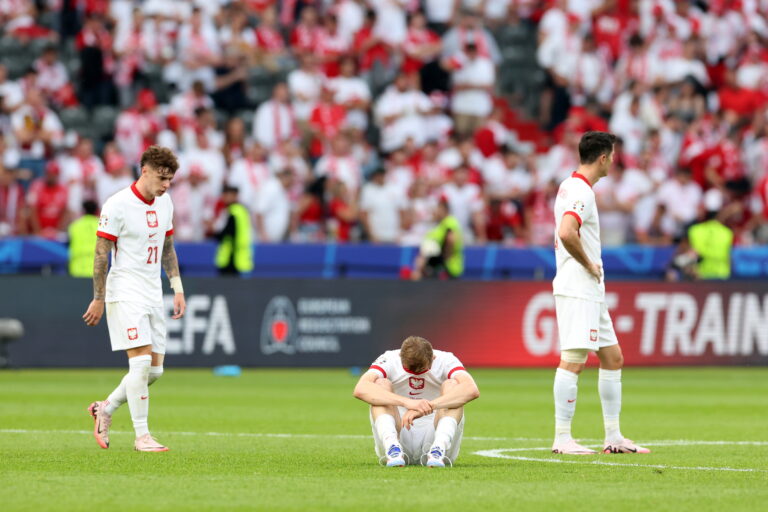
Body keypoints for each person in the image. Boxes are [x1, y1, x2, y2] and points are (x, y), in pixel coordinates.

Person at [551, 131, 650, 455]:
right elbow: (567, 231)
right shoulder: (581, 191)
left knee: (612, 357)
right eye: (614, 156)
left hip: (590, 288)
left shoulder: (571, 185)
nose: (615, 162)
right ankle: (562, 437)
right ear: (604, 157)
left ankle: (613, 436)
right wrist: (589, 263)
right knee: (574, 360)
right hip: (579, 285)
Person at [83, 146, 186, 453]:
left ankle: (106, 408)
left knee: (154, 371)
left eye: (170, 179)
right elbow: (101, 255)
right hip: (125, 290)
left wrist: (177, 287)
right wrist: (98, 298)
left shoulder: (165, 202)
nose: (165, 184)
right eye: (161, 177)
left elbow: (168, 248)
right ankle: (142, 436)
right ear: (145, 170)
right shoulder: (117, 205)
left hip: (153, 291)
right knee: (139, 363)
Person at [353, 335, 479, 467]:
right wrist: (406, 402)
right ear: (400, 358)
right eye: (410, 370)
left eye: (422, 370)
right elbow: (360, 388)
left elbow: (471, 389)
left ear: (433, 358)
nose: (416, 374)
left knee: (453, 386)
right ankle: (392, 448)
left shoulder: (446, 359)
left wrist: (428, 406)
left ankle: (438, 449)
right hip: (400, 430)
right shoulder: (389, 358)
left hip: (435, 431)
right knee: (380, 384)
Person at [411, 199, 463, 280]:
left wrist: (446, 257)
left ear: (445, 210)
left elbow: (451, 240)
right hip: (436, 266)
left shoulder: (449, 222)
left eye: (439, 209)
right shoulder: (439, 224)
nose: (437, 211)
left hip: (448, 268)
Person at [214, 185, 254, 275]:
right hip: (239, 257)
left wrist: (215, 234)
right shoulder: (241, 210)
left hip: (232, 258)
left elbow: (227, 233)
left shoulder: (233, 212)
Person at [68, 200, 100, 278]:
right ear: (97, 211)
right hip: (97, 267)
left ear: (83, 211)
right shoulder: (102, 225)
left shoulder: (74, 226)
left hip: (77, 267)